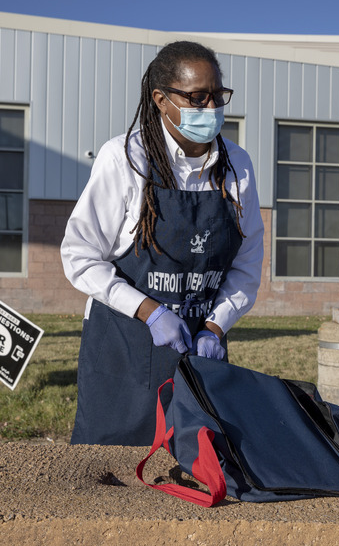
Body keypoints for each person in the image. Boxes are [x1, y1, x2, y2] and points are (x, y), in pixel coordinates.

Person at [60, 41, 264, 446]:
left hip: (199, 356)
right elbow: (79, 256)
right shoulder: (125, 158)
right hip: (124, 352)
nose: (210, 108)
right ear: (161, 100)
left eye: (216, 96)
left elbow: (247, 264)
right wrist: (151, 312)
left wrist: (214, 326)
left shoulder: (236, 166)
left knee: (193, 469)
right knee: (115, 473)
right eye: (196, 97)